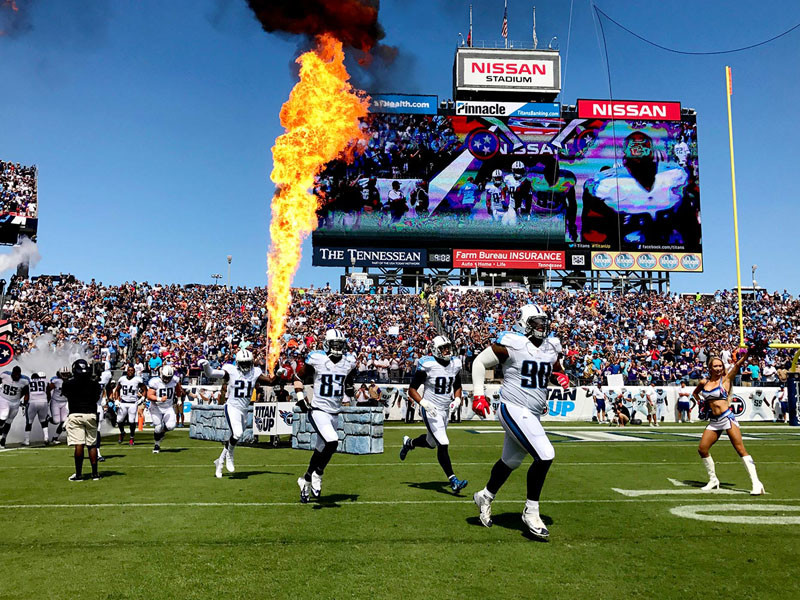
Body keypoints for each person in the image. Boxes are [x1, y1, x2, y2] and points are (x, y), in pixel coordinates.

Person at [470, 304, 570, 540]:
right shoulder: (512, 343)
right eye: (536, 322)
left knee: (511, 461)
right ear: (525, 324)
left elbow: (553, 368)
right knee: (545, 453)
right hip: (513, 407)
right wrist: (478, 394)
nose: (542, 327)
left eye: (544, 322)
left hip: (531, 412)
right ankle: (531, 511)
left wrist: (559, 375)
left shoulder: (550, 346)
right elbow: (478, 362)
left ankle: (485, 495)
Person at [200, 348, 286, 478]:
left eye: (247, 362)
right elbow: (211, 373)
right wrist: (206, 365)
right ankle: (230, 456)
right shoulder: (231, 370)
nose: (245, 366)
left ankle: (220, 462)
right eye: (243, 363)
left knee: (236, 436)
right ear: (238, 362)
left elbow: (270, 382)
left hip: (244, 409)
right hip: (232, 407)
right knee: (238, 433)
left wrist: (278, 374)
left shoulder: (255, 372)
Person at [293, 329, 357, 503]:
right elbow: (298, 376)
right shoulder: (317, 358)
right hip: (318, 410)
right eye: (334, 344)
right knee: (333, 441)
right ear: (327, 344)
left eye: (340, 344)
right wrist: (300, 397)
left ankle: (305, 479)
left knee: (321, 450)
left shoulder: (348, 361)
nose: (337, 348)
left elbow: (349, 377)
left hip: (334, 412)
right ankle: (318, 474)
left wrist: (350, 387)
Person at [399, 335, 468, 493]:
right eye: (443, 348)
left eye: (447, 347)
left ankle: (409, 443)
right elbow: (412, 390)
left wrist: (457, 399)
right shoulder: (428, 365)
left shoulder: (455, 364)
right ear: (435, 350)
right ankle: (453, 480)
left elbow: (457, 385)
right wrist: (423, 403)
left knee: (431, 443)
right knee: (443, 443)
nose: (447, 350)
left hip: (444, 409)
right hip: (431, 408)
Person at [692, 349, 765, 495]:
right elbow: (695, 393)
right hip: (714, 421)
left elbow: (737, 366)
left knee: (740, 449)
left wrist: (747, 354)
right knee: (702, 449)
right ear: (710, 368)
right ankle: (713, 480)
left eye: (720, 366)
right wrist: (701, 403)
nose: (719, 369)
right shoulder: (704, 382)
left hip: (727, 418)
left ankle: (756, 483)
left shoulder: (725, 380)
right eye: (715, 366)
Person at [62, 359, 102, 481]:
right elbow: (96, 397)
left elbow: (66, 394)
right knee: (92, 444)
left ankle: (79, 474)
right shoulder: (94, 383)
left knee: (79, 444)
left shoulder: (68, 383)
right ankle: (95, 474)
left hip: (75, 414)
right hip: (91, 413)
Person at [146, 365, 184, 454]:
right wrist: (159, 399)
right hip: (156, 407)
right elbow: (149, 395)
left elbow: (178, 389)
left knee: (171, 426)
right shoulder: (155, 382)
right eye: (165, 377)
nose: (167, 379)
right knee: (158, 427)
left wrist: (179, 399)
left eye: (168, 377)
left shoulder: (174, 380)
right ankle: (157, 444)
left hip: (168, 407)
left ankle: (162, 433)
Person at [0, 366, 30, 448]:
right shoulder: (5, 375)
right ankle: (0, 435)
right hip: (4, 399)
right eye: (15, 375)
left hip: (15, 402)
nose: (16, 376)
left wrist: (25, 402)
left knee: (9, 421)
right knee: (3, 416)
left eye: (18, 375)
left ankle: (3, 439)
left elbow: (26, 392)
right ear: (12, 373)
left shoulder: (25, 380)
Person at [115, 365, 145, 445]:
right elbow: (117, 390)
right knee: (119, 420)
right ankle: (122, 432)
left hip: (133, 403)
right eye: (129, 370)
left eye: (132, 370)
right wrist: (116, 400)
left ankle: (132, 437)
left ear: (134, 372)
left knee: (132, 421)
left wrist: (142, 398)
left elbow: (145, 390)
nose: (130, 372)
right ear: (126, 371)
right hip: (123, 402)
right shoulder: (122, 379)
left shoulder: (137, 380)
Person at [22, 372, 50, 446]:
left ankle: (27, 440)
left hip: (32, 403)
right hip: (43, 402)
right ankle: (46, 437)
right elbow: (48, 392)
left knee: (29, 422)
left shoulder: (28, 383)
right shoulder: (45, 382)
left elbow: (26, 395)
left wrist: (24, 403)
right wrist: (47, 401)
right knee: (44, 421)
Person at [48, 366, 71, 444]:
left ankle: (55, 437)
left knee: (64, 421)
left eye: (66, 373)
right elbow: (48, 389)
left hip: (65, 402)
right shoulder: (56, 380)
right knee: (56, 421)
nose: (65, 375)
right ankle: (48, 419)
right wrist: (46, 399)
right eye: (63, 374)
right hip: (56, 401)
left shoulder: (71, 380)